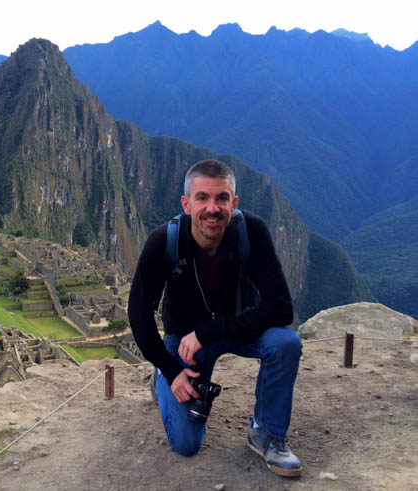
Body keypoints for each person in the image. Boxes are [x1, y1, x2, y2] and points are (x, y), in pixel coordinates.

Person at [128, 159, 302, 477]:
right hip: (183, 343)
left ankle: (267, 433)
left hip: (236, 329)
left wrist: (210, 331)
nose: (213, 208)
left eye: (222, 198)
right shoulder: (164, 242)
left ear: (234, 203)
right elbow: (138, 312)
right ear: (186, 204)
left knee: (286, 344)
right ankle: (160, 380)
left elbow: (280, 309)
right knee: (186, 443)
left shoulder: (252, 232)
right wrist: (170, 370)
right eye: (202, 198)